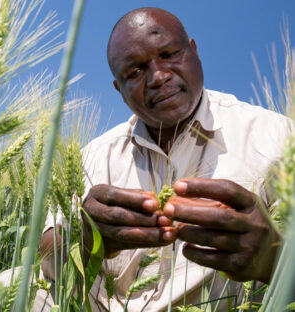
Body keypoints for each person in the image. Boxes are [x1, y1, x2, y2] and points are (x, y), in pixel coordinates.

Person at [34, 6, 292, 312]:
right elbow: (45, 256)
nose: (158, 76)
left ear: (194, 51)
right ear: (120, 90)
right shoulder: (94, 155)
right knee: (5, 285)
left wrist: (277, 260)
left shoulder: (279, 139)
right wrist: (86, 236)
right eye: (135, 71)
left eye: (169, 54)